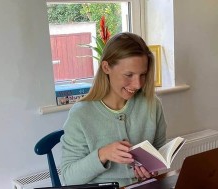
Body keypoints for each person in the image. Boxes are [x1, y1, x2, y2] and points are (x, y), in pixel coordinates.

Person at [60, 32, 167, 187]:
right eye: (129, 75)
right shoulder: (81, 115)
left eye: (142, 75)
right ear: (106, 67)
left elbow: (160, 153)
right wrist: (103, 154)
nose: (138, 84)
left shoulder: (152, 104)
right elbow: (69, 178)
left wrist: (152, 170)